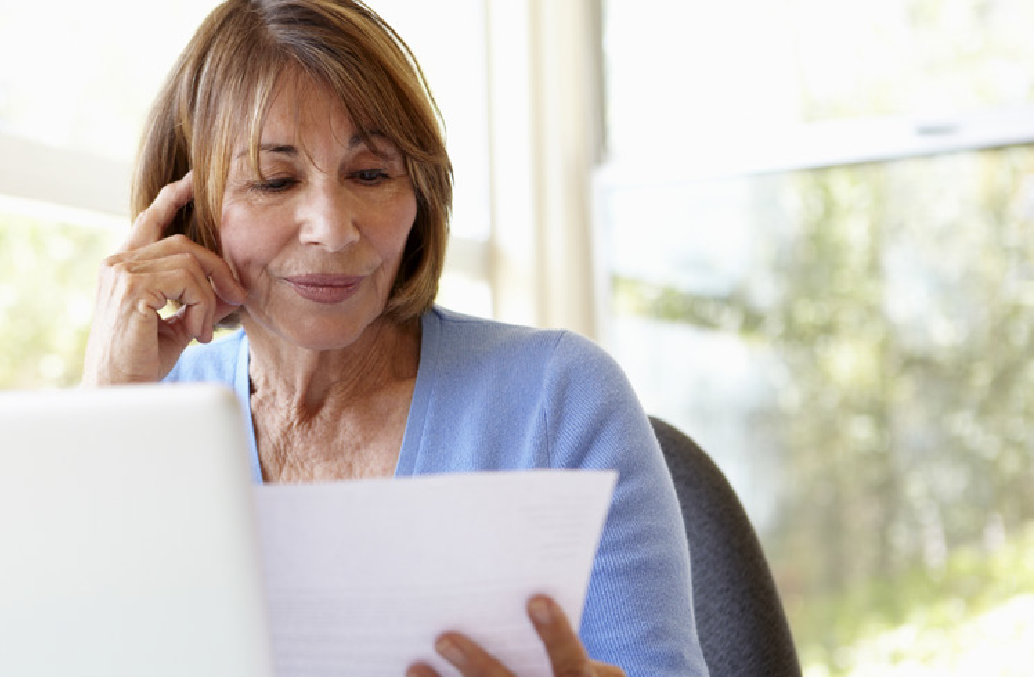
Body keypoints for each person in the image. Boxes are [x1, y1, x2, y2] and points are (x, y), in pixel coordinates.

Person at [82, 1, 708, 675]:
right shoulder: (147, 414)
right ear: (191, 212)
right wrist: (103, 414)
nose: (332, 226)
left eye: (371, 173)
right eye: (275, 179)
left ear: (420, 195)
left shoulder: (557, 401)